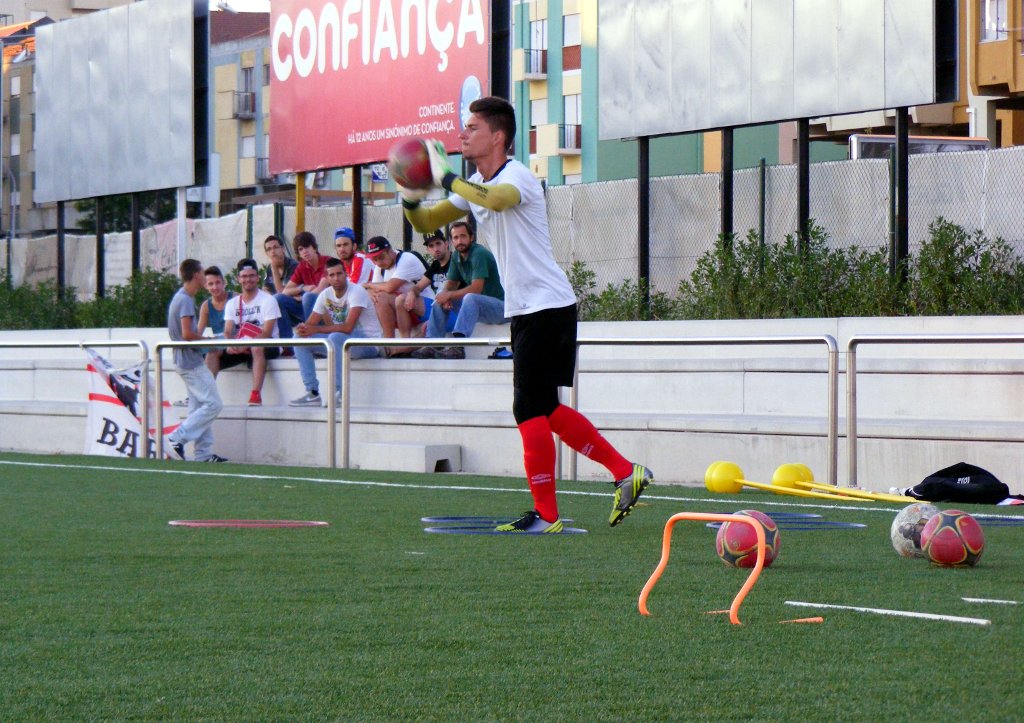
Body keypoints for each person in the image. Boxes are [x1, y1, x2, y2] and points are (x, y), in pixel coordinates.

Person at [399, 96, 653, 532]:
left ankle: (548, 515)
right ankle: (624, 472)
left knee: (527, 408)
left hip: (547, 305)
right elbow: (426, 222)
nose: (462, 134)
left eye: (472, 128)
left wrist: (446, 177)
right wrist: (409, 190)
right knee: (545, 409)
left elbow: (498, 200)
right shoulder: (476, 182)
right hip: (530, 308)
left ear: (498, 137)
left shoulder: (515, 175)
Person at [289, 258, 383, 406]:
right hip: (341, 342)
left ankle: (339, 393)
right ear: (326, 278)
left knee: (335, 337)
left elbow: (348, 328)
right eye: (331, 275)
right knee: (299, 339)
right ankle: (312, 393)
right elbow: (310, 325)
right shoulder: (325, 294)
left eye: (339, 274)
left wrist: (316, 329)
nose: (336, 278)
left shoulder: (356, 291)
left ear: (345, 274)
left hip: (369, 344)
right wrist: (302, 329)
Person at [412, 220, 508, 359]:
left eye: (463, 236)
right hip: (481, 308)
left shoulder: (479, 253)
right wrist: (445, 297)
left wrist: (450, 295)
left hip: (502, 308)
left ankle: (458, 347)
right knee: (439, 299)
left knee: (470, 297)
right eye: (456, 237)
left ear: (471, 237)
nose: (460, 241)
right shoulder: (456, 256)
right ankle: (432, 344)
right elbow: (451, 283)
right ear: (451, 241)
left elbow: (476, 289)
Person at [165, 258, 227, 462]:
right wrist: (209, 341)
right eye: (202, 273)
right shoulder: (185, 300)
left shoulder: (182, 298)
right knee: (214, 404)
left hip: (185, 360)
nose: (205, 277)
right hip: (190, 362)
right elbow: (187, 334)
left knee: (199, 408)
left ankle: (203, 454)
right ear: (196, 275)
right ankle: (176, 438)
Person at [221, 258, 282, 407]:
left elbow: (267, 333)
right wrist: (230, 344)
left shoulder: (268, 300)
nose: (248, 279)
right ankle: (203, 394)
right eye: (244, 276)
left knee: (256, 347)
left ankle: (255, 394)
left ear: (257, 277)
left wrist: (245, 345)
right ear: (238, 278)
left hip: (268, 345)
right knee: (213, 352)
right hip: (242, 345)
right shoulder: (232, 303)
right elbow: (227, 331)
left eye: (251, 275)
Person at [362, 236, 434, 357]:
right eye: (375, 259)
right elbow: (375, 290)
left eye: (381, 257)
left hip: (425, 308)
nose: (379, 262)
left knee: (394, 298)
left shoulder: (406, 259)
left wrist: (368, 285)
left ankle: (402, 345)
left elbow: (390, 287)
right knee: (379, 298)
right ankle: (389, 344)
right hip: (404, 309)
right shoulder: (380, 267)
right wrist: (369, 290)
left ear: (390, 251)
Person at [391, 229, 459, 355]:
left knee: (429, 326)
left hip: (455, 312)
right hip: (438, 307)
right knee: (401, 299)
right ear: (427, 250)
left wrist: (434, 319)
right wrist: (412, 293)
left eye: (438, 244)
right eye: (431, 246)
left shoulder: (457, 261)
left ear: (446, 244)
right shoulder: (435, 265)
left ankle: (403, 350)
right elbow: (418, 287)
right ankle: (405, 342)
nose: (435, 249)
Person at [275, 231, 333, 338]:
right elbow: (285, 291)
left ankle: (311, 336)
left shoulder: (327, 262)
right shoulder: (302, 266)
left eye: (307, 247)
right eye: (301, 249)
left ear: (314, 248)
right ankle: (286, 343)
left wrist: (302, 297)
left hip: (328, 309)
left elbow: (319, 291)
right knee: (278, 298)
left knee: (308, 297)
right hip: (306, 306)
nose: (305, 251)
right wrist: (302, 288)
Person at [196, 265, 235, 376]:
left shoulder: (235, 298)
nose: (215, 287)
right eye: (211, 284)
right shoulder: (206, 306)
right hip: (217, 344)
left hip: (234, 340)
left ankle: (206, 386)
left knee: (212, 351)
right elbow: (198, 332)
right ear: (205, 286)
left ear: (224, 283)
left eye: (218, 283)